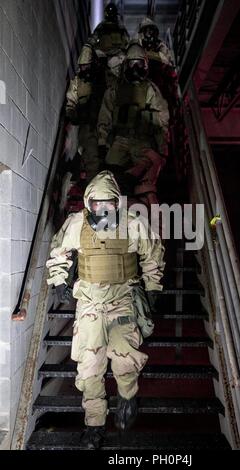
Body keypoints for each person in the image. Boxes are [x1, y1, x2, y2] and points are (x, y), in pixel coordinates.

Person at [46, 171, 165, 449]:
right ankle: (94, 425)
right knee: (89, 369)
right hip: (89, 302)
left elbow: (153, 254)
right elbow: (58, 252)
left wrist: (153, 287)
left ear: (117, 203)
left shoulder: (133, 224)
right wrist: (59, 278)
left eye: (108, 204)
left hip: (123, 298)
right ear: (88, 203)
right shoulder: (76, 224)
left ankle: (127, 396)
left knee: (126, 359)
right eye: (97, 204)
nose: (102, 209)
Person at [97, 41, 170, 208]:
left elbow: (162, 121)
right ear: (126, 64)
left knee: (146, 178)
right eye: (132, 63)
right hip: (120, 138)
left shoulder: (151, 90)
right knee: (109, 174)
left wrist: (162, 149)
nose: (136, 68)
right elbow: (105, 116)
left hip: (143, 141)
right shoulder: (115, 89)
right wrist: (102, 143)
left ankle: (140, 207)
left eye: (140, 64)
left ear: (145, 65)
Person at [65, 3, 129, 182]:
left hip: (105, 124)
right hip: (90, 121)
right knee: (91, 150)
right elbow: (93, 40)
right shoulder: (86, 79)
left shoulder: (120, 30)